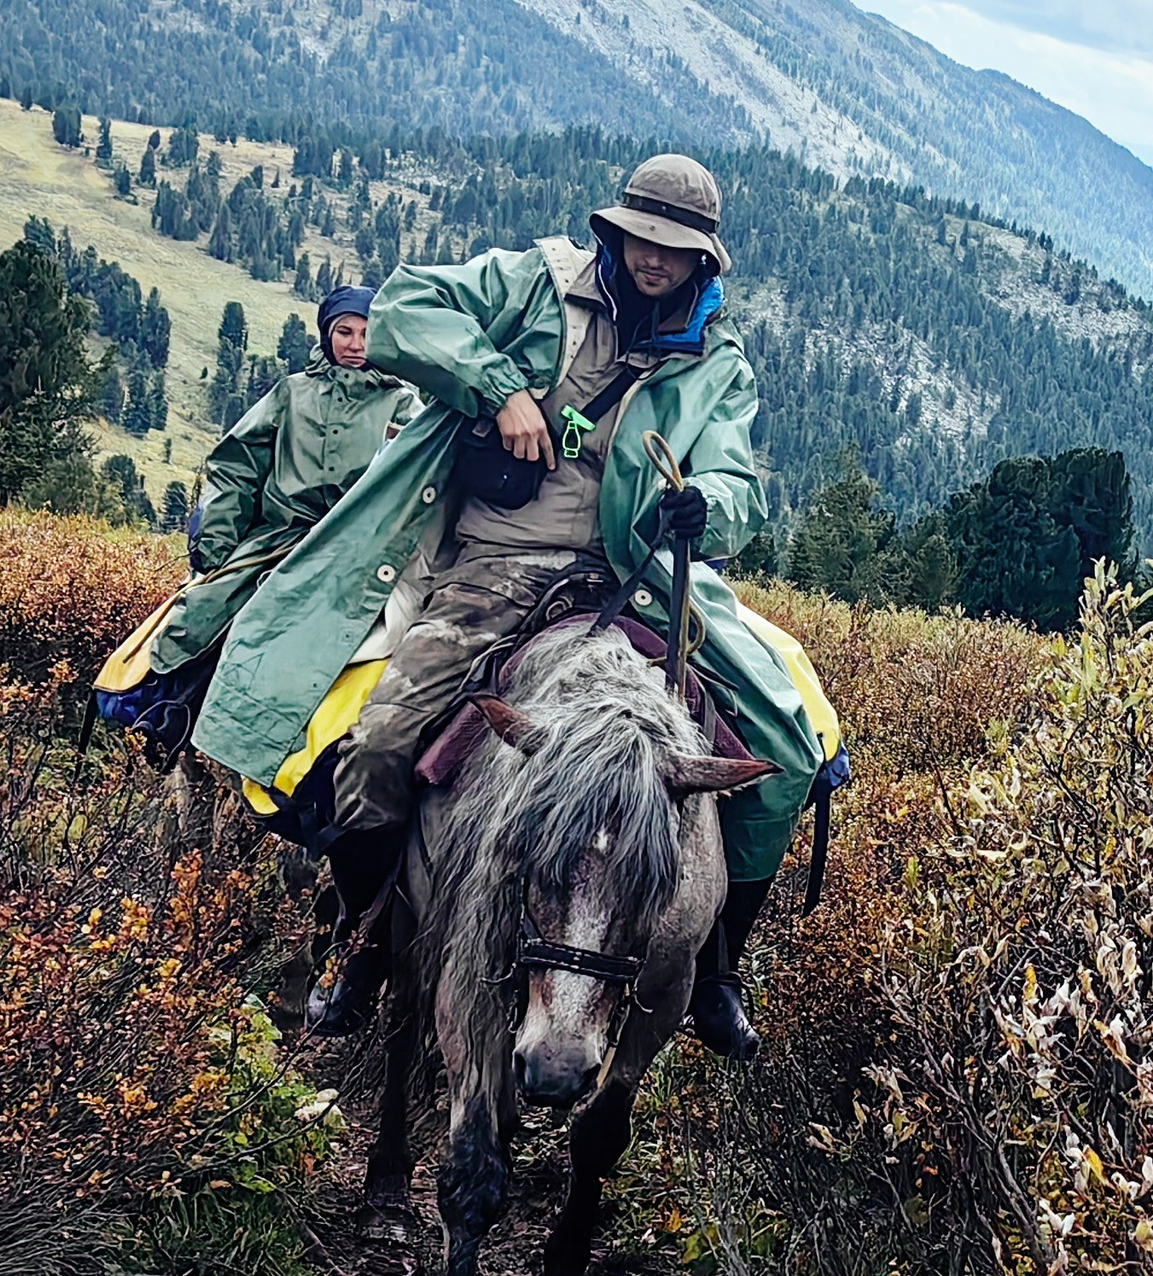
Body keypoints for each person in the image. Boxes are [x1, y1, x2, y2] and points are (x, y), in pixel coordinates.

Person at [190, 155, 826, 1062]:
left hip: (633, 577)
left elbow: (735, 480)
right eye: (644, 238)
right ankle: (367, 944)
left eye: (676, 250)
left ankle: (718, 969)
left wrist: (706, 507)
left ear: (702, 262)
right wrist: (501, 388)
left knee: (786, 748)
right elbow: (407, 309)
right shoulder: (533, 282)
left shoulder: (717, 360)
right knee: (377, 747)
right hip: (493, 562)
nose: (655, 260)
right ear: (618, 230)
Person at [148, 286, 420, 677]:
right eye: (345, 332)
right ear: (327, 333)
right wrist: (216, 550)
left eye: (368, 332)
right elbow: (236, 469)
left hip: (359, 550)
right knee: (198, 619)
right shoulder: (291, 393)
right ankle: (167, 714)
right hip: (277, 539)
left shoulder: (402, 404)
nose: (357, 344)